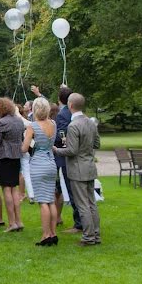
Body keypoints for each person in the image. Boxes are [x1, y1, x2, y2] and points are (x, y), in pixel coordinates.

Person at [53, 93, 101, 246]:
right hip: (89, 166)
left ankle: (88, 237)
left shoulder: (73, 126)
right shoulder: (90, 122)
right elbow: (97, 144)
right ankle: (96, 235)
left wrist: (56, 149)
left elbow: (72, 150)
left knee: (82, 205)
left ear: (70, 105)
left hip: (78, 169)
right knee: (91, 203)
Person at [46, 84, 83, 233]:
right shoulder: (81, 115)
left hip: (66, 157)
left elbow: (62, 138)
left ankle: (79, 223)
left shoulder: (62, 115)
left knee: (72, 190)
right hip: (78, 156)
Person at [23, 97, 58, 246]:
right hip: (51, 162)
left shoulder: (33, 126)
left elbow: (25, 148)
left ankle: (46, 234)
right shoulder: (53, 124)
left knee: (43, 201)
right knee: (51, 199)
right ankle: (53, 232)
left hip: (38, 163)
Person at [0, 97, 25, 233]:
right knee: (15, 189)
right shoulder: (19, 121)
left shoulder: (1, 123)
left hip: (4, 157)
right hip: (16, 157)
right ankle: (18, 221)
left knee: (7, 189)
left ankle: (12, 222)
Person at [18, 101, 35, 202]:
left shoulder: (27, 121)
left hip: (26, 148)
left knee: (24, 173)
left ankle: (23, 194)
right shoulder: (27, 119)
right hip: (27, 148)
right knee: (26, 173)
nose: (24, 106)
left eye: (26, 105)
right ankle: (30, 195)